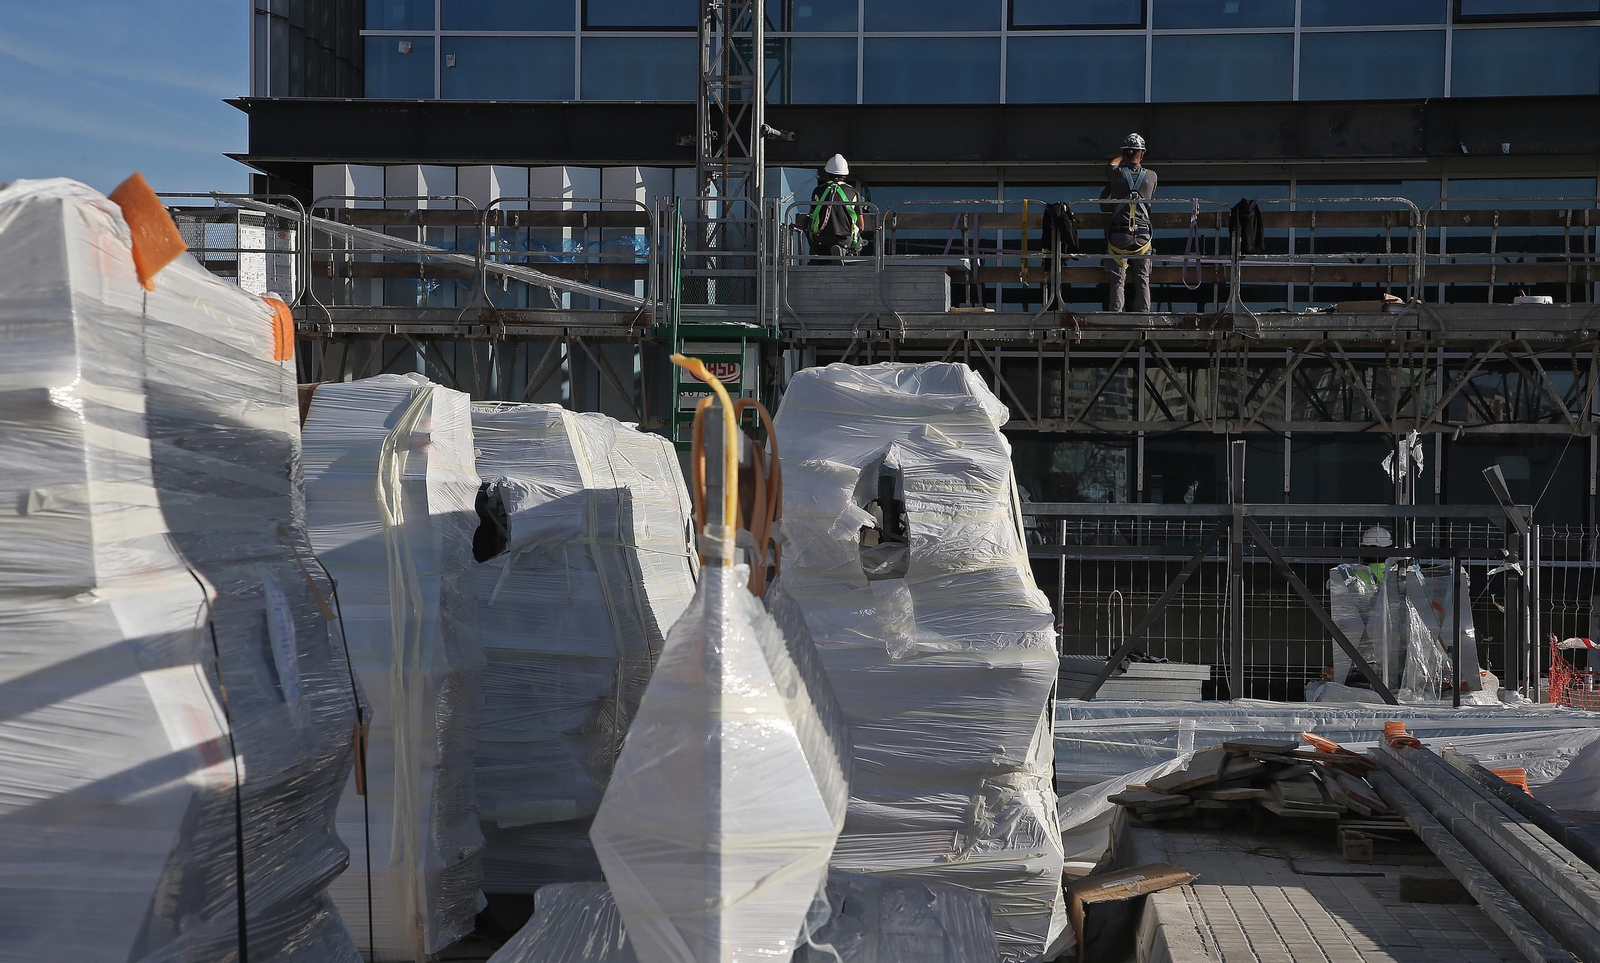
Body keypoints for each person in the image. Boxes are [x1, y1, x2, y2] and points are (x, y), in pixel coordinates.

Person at [1102, 133, 1157, 312]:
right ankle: (1143, 315)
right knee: (1142, 277)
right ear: (1142, 155)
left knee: (1118, 278)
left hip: (1120, 235)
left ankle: (1116, 314)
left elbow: (1111, 164)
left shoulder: (1116, 173)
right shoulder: (1151, 175)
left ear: (1125, 154)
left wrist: (1123, 155)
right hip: (1142, 236)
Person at [806, 153, 864, 261]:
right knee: (858, 240)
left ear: (827, 173)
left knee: (807, 227)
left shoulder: (818, 191)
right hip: (846, 239)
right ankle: (847, 254)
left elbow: (812, 216)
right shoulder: (853, 192)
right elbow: (861, 225)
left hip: (821, 238)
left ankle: (817, 255)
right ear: (845, 174)